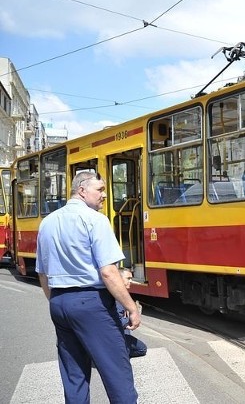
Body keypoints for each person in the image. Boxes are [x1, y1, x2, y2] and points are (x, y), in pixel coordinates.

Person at [36, 171, 140, 404]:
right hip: (91, 303)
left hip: (59, 302)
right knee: (117, 371)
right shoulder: (95, 220)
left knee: (74, 374)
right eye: (100, 190)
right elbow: (108, 271)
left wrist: (57, 300)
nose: (104, 195)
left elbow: (42, 272)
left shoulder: (48, 222)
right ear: (82, 190)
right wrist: (130, 306)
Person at [117, 268, 147, 358]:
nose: (131, 281)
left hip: (117, 332)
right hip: (114, 334)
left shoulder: (120, 294)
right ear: (118, 279)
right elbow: (116, 322)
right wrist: (132, 317)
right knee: (142, 349)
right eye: (128, 278)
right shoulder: (116, 298)